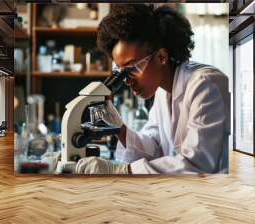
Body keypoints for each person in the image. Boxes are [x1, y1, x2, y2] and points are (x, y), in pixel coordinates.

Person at [76, 4, 229, 174]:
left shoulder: (205, 84)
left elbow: (198, 164)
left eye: (131, 69)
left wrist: (121, 170)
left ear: (161, 57)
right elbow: (154, 149)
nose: (127, 80)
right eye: (120, 72)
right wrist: (119, 128)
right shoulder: (163, 91)